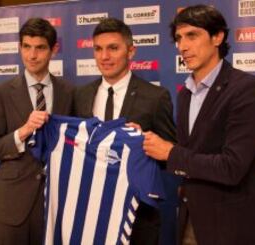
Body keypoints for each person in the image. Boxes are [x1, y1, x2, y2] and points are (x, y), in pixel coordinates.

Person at [142, 5, 255, 245]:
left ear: (218, 37)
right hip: (191, 221)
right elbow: (193, 153)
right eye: (178, 38)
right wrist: (141, 140)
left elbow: (232, 167)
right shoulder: (185, 94)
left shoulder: (247, 90)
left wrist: (170, 152)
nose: (183, 46)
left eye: (192, 35)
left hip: (235, 228)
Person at [74, 17, 176, 245]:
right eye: (98, 49)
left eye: (113, 48)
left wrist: (145, 142)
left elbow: (171, 157)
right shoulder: (81, 95)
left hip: (137, 216)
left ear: (131, 51)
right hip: (90, 213)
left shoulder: (156, 97)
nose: (104, 56)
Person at [0, 18, 73, 245]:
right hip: (11, 206)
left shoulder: (70, 92)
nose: (32, 55)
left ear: (54, 49)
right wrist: (22, 132)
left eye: (40, 47)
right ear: (20, 47)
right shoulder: (0, 93)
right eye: (26, 46)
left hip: (56, 205)